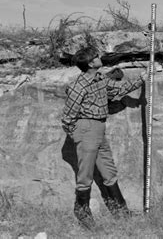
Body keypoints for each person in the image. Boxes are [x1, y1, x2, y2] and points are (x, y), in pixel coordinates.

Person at [61, 47, 147, 230]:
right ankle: (82, 210)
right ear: (91, 63)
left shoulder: (100, 79)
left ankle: (121, 211)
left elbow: (120, 87)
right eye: (96, 57)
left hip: (99, 128)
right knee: (85, 173)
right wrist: (79, 134)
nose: (100, 58)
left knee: (108, 171)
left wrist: (141, 79)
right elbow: (68, 116)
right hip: (87, 128)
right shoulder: (79, 84)